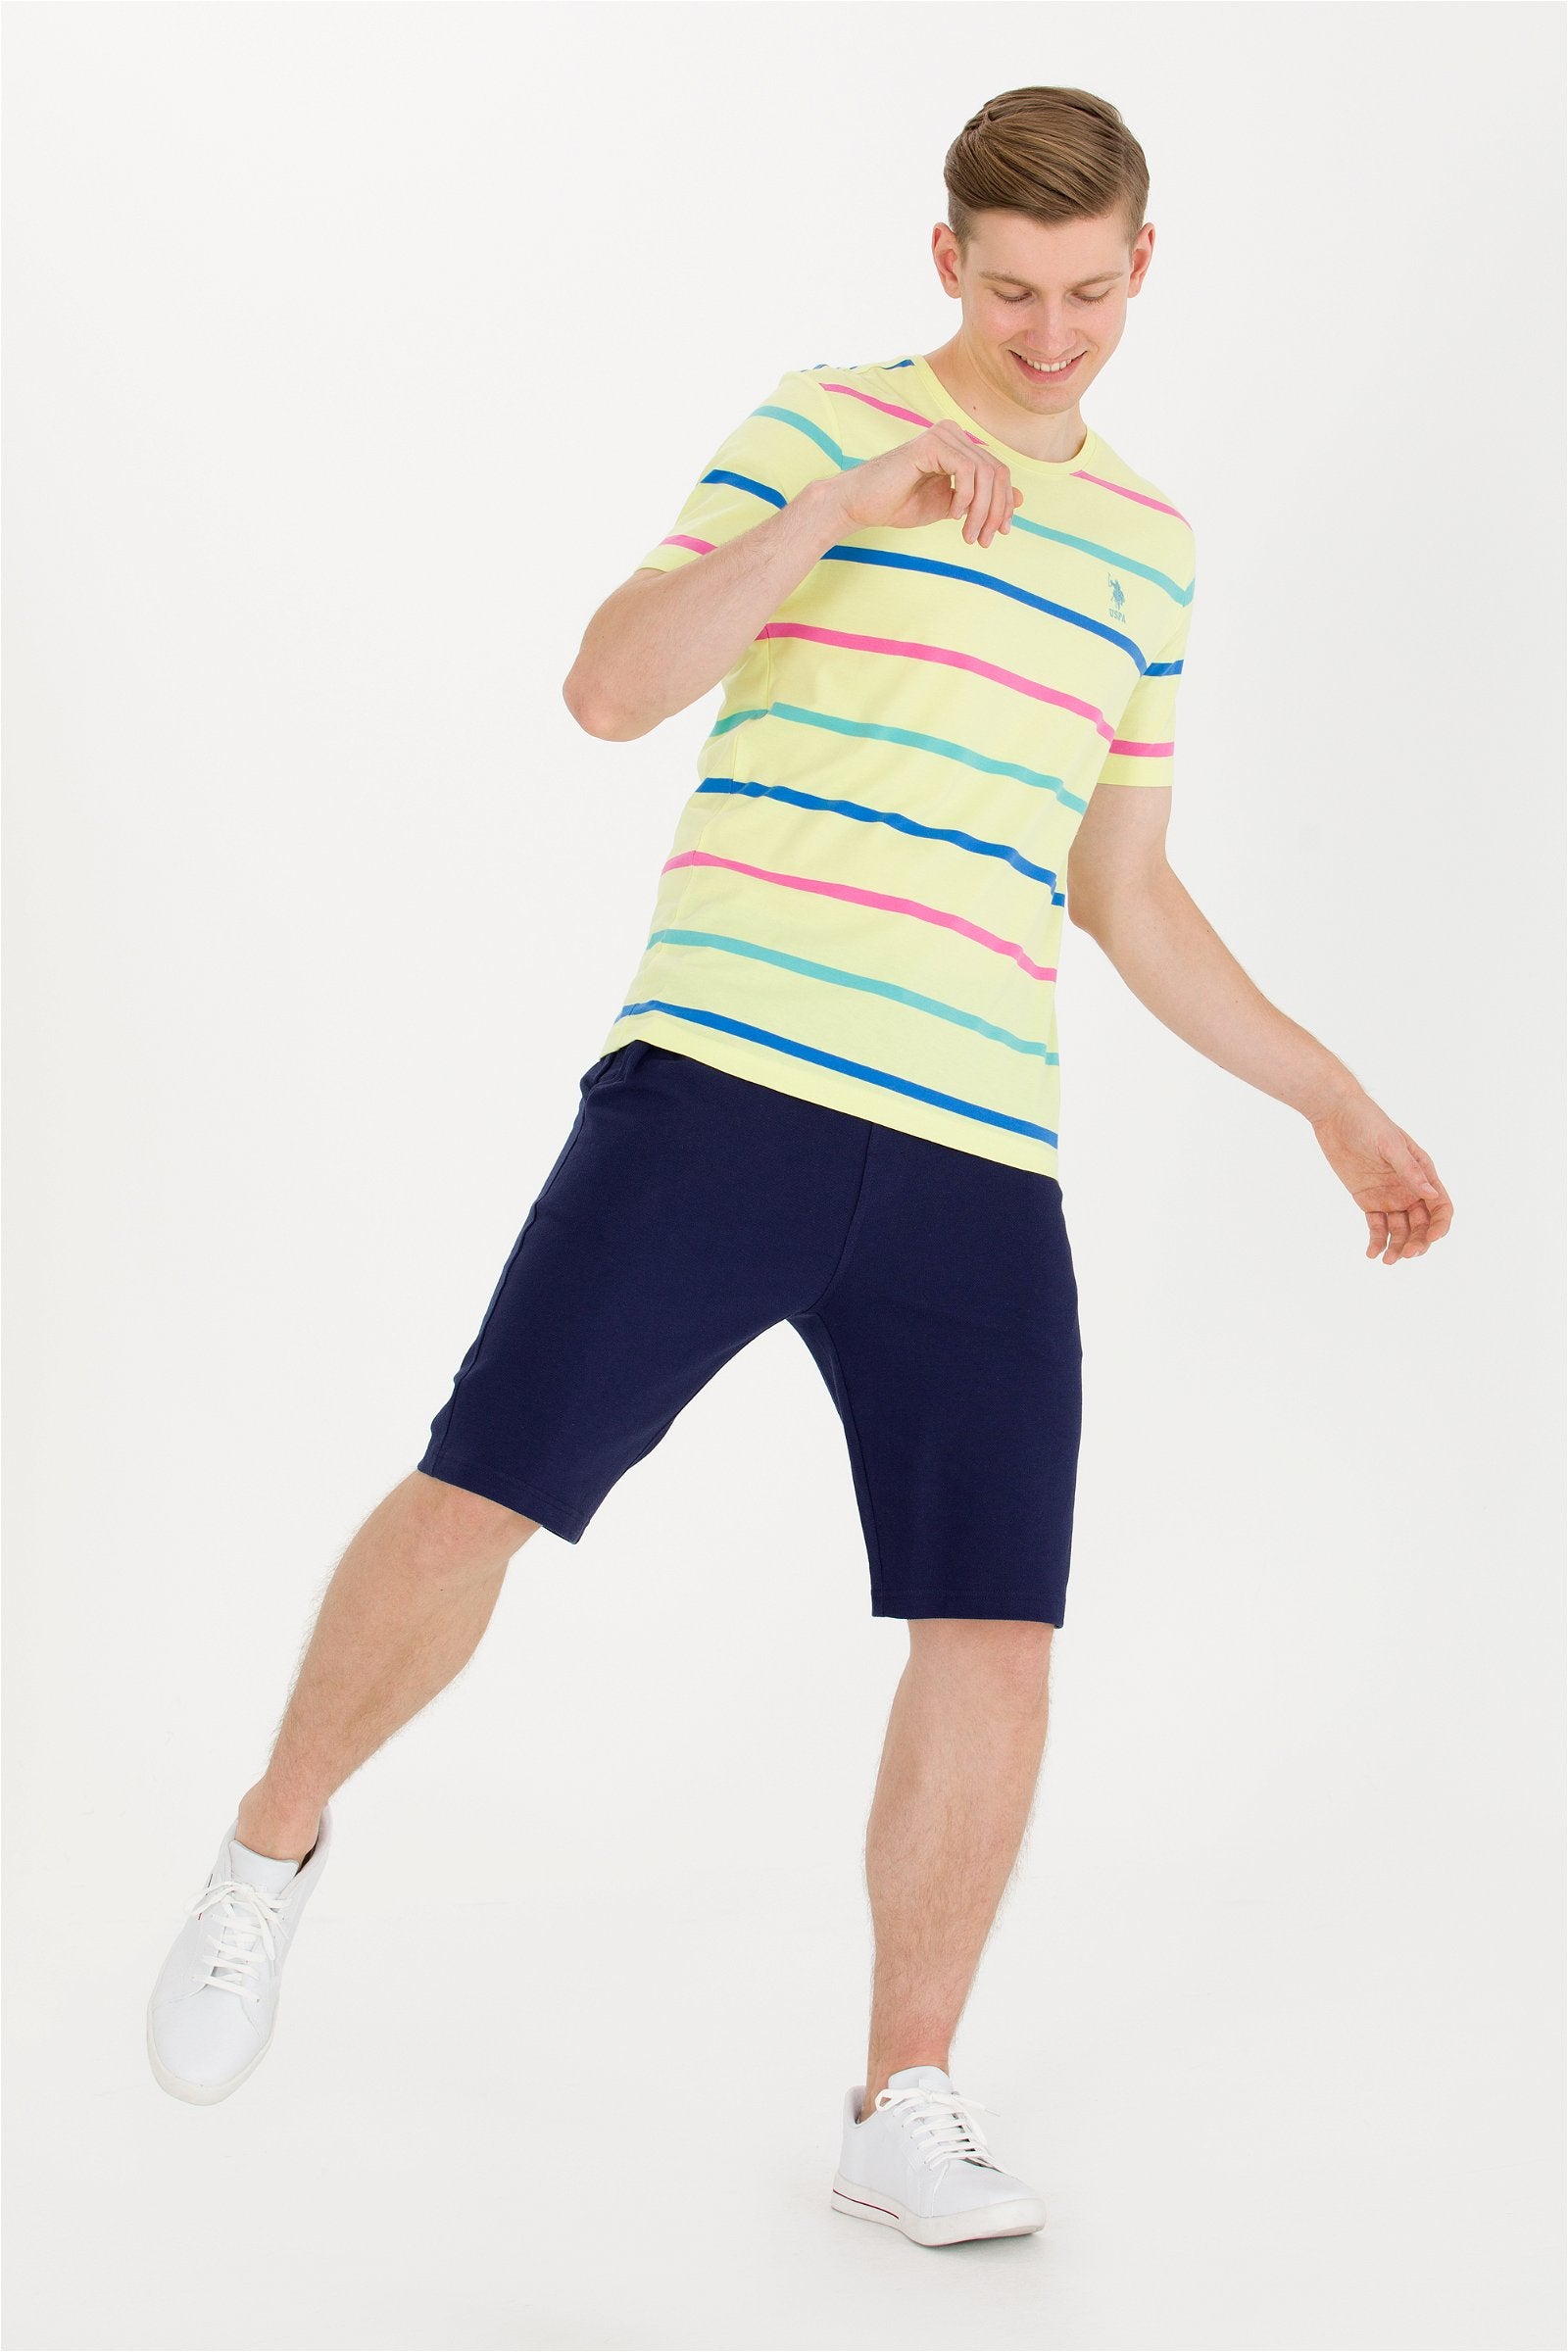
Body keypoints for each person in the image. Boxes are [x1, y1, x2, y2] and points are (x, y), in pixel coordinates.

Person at [146, 84, 1452, 2248]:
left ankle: (899, 2100)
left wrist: (1327, 1094)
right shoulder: (821, 424)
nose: (1052, 336)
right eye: (1012, 293)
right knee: (484, 1490)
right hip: (726, 1084)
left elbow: (1122, 888)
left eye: (1091, 293)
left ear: (1146, 264)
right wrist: (838, 511)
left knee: (996, 1623)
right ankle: (267, 1847)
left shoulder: (1146, 545)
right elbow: (609, 687)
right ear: (944, 261)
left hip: (974, 1144)